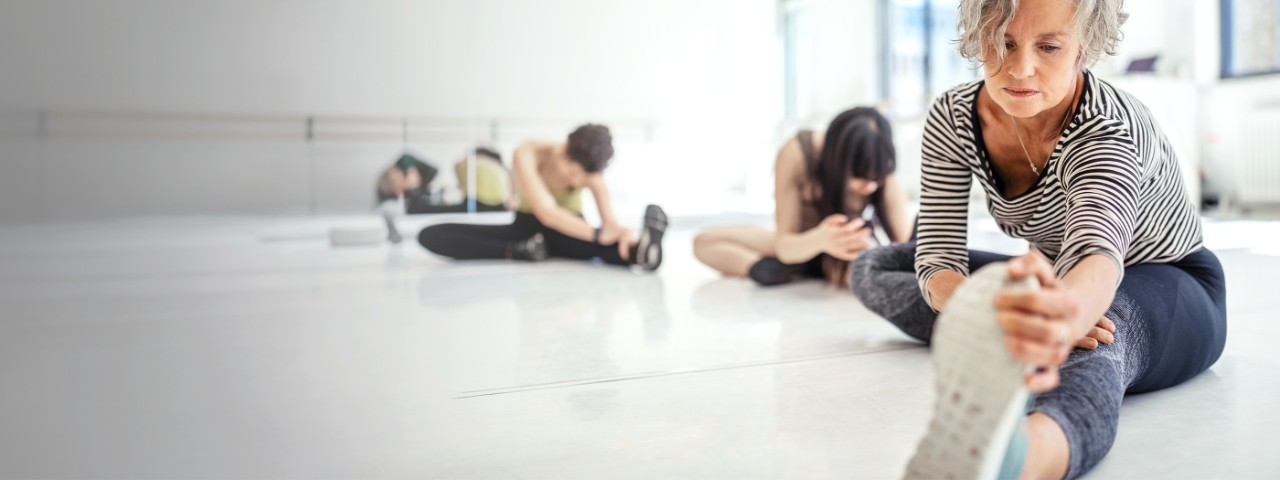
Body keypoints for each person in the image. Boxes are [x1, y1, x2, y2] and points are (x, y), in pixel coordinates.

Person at [848, 0, 1225, 478]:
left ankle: (1021, 457)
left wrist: (1058, 321)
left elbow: (1096, 258)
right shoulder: (952, 117)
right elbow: (937, 256)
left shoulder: (1108, 127)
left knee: (1094, 343)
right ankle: (1008, 332)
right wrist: (997, 310)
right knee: (876, 266)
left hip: (1169, 281)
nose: (1020, 68)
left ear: (1083, 46)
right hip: (1056, 277)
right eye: (1002, 42)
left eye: (1049, 46)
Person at [692, 107, 912, 288]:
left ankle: (791, 269)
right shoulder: (798, 153)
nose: (870, 187)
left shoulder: (879, 167)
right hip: (802, 244)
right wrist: (821, 239)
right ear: (838, 159)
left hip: (844, 253)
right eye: (860, 178)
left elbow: (906, 244)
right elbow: (785, 244)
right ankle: (763, 269)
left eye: (877, 179)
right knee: (703, 243)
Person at [418, 124, 667, 270]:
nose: (575, 182)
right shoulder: (527, 153)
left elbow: (610, 225)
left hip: (569, 232)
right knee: (433, 234)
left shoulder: (591, 170)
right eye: (572, 174)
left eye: (581, 179)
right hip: (526, 229)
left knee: (606, 248)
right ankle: (518, 251)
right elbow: (547, 213)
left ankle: (641, 252)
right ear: (562, 150)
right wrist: (597, 234)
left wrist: (625, 235)